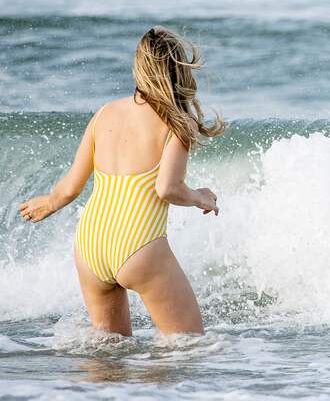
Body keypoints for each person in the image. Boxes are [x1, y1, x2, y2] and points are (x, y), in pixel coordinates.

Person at [18, 27, 225, 336]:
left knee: (108, 354)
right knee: (187, 347)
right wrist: (201, 197)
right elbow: (167, 188)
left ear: (139, 67)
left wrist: (47, 203)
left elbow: (69, 189)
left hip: (90, 244)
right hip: (139, 244)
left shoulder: (105, 113)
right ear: (178, 70)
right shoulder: (179, 122)